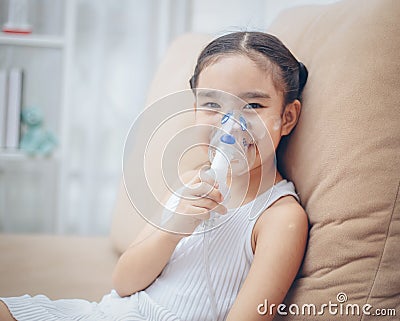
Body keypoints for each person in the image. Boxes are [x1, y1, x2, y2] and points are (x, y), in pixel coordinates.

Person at [0, 31, 309, 321]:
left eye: (253, 105)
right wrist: (172, 229)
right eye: (212, 104)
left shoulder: (279, 218)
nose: (230, 124)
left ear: (286, 117)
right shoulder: (190, 181)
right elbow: (124, 283)